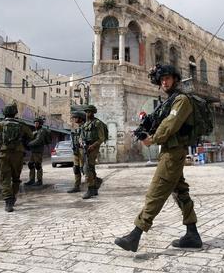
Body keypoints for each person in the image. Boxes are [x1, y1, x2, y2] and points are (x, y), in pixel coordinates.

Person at [115, 64, 202, 252]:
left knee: (157, 191)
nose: (164, 82)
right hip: (169, 152)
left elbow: (170, 125)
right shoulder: (169, 102)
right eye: (162, 79)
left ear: (176, 79)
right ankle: (192, 234)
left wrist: (152, 139)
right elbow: (162, 122)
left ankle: (135, 234)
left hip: (173, 153)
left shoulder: (181, 100)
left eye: (168, 78)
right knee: (181, 192)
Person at [0, 103, 33, 212]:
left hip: (4, 154)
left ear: (4, 113)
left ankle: (8, 202)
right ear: (15, 113)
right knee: (16, 178)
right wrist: (22, 142)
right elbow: (31, 136)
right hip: (18, 154)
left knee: (5, 178)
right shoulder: (21, 125)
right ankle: (13, 197)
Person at [80, 105, 104, 199]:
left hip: (93, 147)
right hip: (85, 147)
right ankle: (95, 186)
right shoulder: (85, 124)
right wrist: (81, 142)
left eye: (89, 112)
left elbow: (101, 138)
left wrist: (93, 146)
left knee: (87, 168)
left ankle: (90, 189)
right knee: (90, 168)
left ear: (93, 113)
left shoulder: (97, 123)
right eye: (86, 112)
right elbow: (81, 136)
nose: (87, 114)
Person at [25, 117, 48, 186]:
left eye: (37, 123)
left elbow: (38, 140)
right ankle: (31, 180)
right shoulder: (35, 131)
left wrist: (29, 144)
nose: (35, 124)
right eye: (35, 123)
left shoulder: (42, 131)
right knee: (31, 164)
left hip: (38, 151)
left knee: (38, 165)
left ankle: (39, 180)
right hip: (33, 151)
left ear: (40, 124)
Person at [68, 110, 86, 193]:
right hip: (76, 150)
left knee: (85, 169)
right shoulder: (78, 128)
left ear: (81, 118)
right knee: (76, 168)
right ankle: (76, 186)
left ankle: (91, 187)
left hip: (83, 150)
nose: (74, 119)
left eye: (76, 117)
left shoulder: (85, 127)